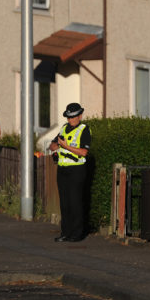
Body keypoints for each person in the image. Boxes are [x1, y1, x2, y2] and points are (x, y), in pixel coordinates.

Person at [49, 102, 91, 242]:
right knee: (64, 203)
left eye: (73, 117)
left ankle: (77, 234)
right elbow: (53, 144)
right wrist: (55, 146)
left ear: (79, 116)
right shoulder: (64, 128)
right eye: (68, 117)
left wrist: (66, 146)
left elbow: (84, 152)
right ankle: (65, 233)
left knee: (75, 202)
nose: (70, 120)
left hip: (76, 170)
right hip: (62, 170)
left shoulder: (84, 129)